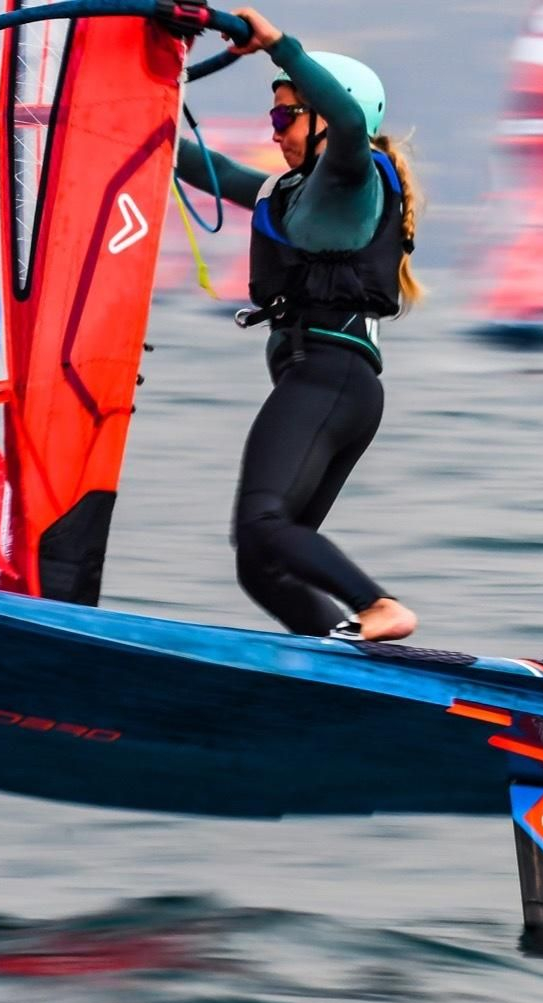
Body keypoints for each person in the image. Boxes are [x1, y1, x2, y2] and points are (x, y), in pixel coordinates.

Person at [175, 7, 425, 643]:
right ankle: (344, 662)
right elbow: (209, 170)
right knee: (262, 563)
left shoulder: (351, 177)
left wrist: (279, 46)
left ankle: (379, 606)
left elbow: (349, 122)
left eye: (287, 116)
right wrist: (120, 119)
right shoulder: (291, 192)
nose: (277, 128)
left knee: (262, 523)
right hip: (330, 384)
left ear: (324, 119)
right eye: (274, 117)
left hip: (329, 380)